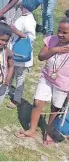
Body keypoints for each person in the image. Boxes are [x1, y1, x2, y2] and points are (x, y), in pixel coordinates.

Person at [15, 10, 69, 145]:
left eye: (64, 33)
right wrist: (53, 50)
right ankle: (32, 130)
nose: (60, 34)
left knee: (55, 109)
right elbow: (40, 56)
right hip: (46, 78)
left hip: (63, 84)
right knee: (37, 102)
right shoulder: (52, 40)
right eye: (59, 31)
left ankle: (48, 132)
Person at [7, 0, 42, 109]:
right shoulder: (23, 17)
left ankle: (17, 98)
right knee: (10, 72)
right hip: (14, 50)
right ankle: (7, 90)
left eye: (23, 5)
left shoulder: (29, 20)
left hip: (21, 53)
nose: (21, 6)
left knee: (19, 76)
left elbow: (31, 37)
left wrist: (15, 30)